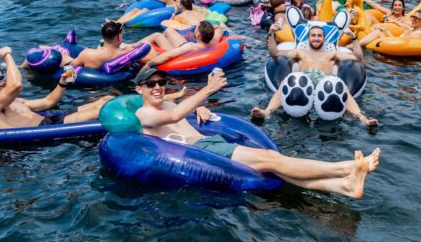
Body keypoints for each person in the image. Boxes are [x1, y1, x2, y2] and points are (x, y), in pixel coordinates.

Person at [134, 67, 380, 199]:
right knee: (272, 159)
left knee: (276, 169)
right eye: (151, 84)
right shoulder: (143, 114)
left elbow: (178, 112)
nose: (158, 88)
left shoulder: (167, 102)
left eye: (161, 83)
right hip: (200, 151)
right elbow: (171, 118)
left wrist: (199, 107)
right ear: (139, 89)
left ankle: (343, 187)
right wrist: (207, 91)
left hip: (210, 142)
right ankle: (346, 168)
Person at [253, 24, 377, 127]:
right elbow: (274, 53)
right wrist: (271, 34)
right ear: (308, 38)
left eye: (319, 36)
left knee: (342, 87)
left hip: (324, 86)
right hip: (302, 86)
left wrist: (354, 38)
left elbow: (358, 57)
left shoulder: (332, 54)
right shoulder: (300, 52)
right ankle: (267, 112)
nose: (316, 38)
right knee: (286, 81)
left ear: (324, 38)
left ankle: (362, 118)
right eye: (313, 35)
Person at [0, 46, 113, 129]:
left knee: (107, 99)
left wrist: (63, 82)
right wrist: (7, 56)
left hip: (52, 120)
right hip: (45, 130)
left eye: (0, 78)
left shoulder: (14, 101)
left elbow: (48, 101)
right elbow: (15, 85)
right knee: (100, 111)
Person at [44, 20, 144, 71]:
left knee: (48, 49)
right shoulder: (128, 52)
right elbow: (143, 46)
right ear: (119, 37)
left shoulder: (87, 54)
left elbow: (71, 66)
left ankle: (47, 48)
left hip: (91, 81)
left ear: (103, 35)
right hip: (115, 83)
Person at [140, 21, 223, 69]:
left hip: (181, 54)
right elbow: (218, 27)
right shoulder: (214, 41)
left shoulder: (191, 46)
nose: (194, 29)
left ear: (198, 34)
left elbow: (168, 55)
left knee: (157, 35)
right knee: (169, 30)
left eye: (195, 28)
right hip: (186, 48)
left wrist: (148, 64)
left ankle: (133, 46)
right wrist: (207, 28)